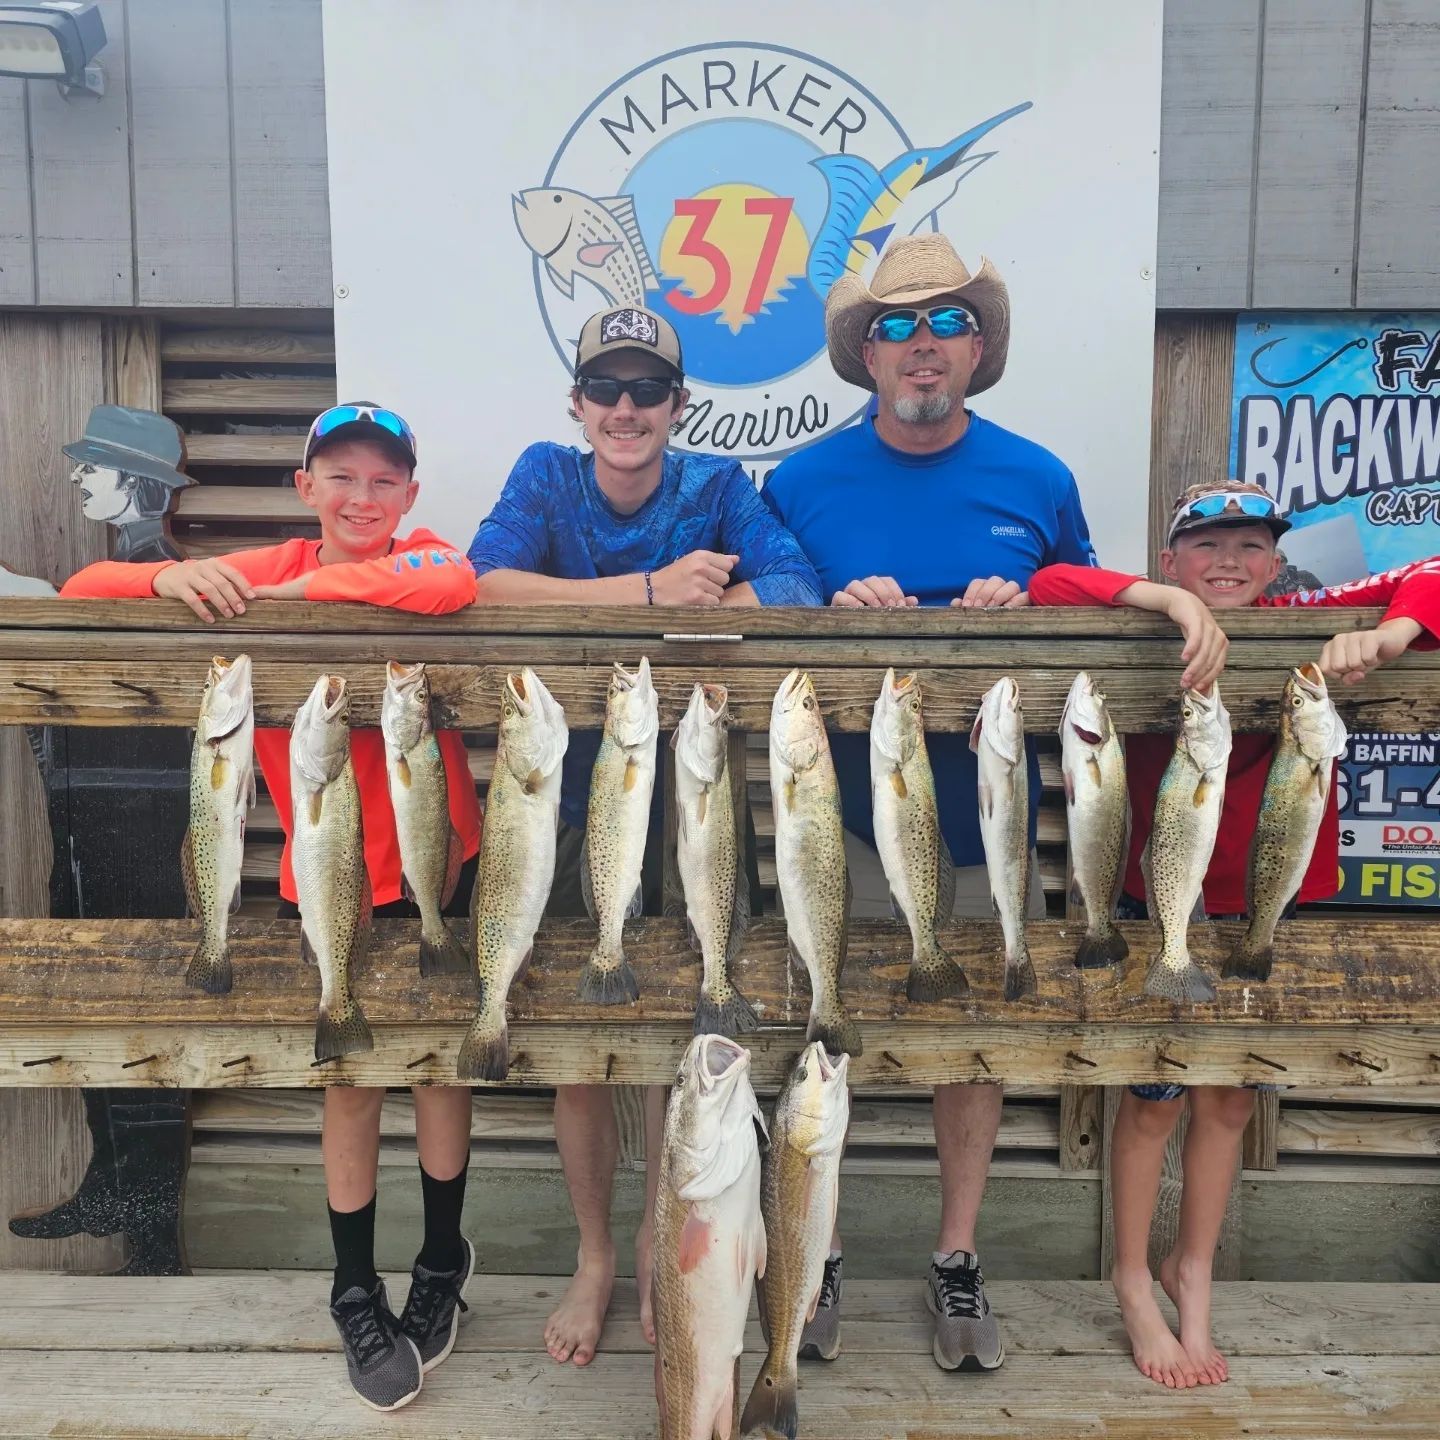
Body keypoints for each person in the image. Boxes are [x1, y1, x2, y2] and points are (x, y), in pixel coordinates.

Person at [62, 403, 482, 1413]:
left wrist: (305, 594)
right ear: (305, 488)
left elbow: (451, 582)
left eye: (384, 481)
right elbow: (85, 586)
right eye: (340, 477)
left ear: (411, 495)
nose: (363, 498)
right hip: (318, 876)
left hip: (433, 867)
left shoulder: (418, 554)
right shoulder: (262, 566)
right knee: (349, 1079)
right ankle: (353, 1282)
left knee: (434, 1069)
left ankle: (440, 1263)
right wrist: (166, 576)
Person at [762, 232, 1097, 1372]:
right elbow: (766, 624)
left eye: (947, 322)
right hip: (840, 823)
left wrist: (1031, 609)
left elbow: (1088, 618)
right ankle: (823, 1254)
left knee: (977, 1046)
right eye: (896, 326)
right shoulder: (798, 481)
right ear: (864, 353)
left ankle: (957, 1259)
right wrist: (821, 608)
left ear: (980, 346)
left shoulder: (1037, 477)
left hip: (992, 824)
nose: (921, 345)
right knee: (825, 1041)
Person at [467, 303, 822, 1367]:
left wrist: (708, 619)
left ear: (679, 405)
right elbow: (483, 585)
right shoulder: (544, 475)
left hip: (691, 810)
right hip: (556, 804)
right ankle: (594, 1258)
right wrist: (653, 593)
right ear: (577, 404)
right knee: (580, 1052)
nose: (626, 410)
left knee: (689, 1041)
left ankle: (672, 1240)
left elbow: (796, 587)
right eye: (606, 389)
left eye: (647, 391)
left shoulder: (718, 488)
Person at [1029, 479, 1440, 1389]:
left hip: (1268, 907)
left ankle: (1194, 1271)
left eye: (1251, 547)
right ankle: (1134, 1278)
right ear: (1171, 558)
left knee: (1229, 1101)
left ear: (1277, 562)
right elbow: (1050, 581)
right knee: (1153, 1098)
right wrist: (1167, 607)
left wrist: (1393, 630)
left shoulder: (1314, 616)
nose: (1229, 563)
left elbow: (1436, 571)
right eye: (1205, 547)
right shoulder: (1143, 617)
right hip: (1161, 904)